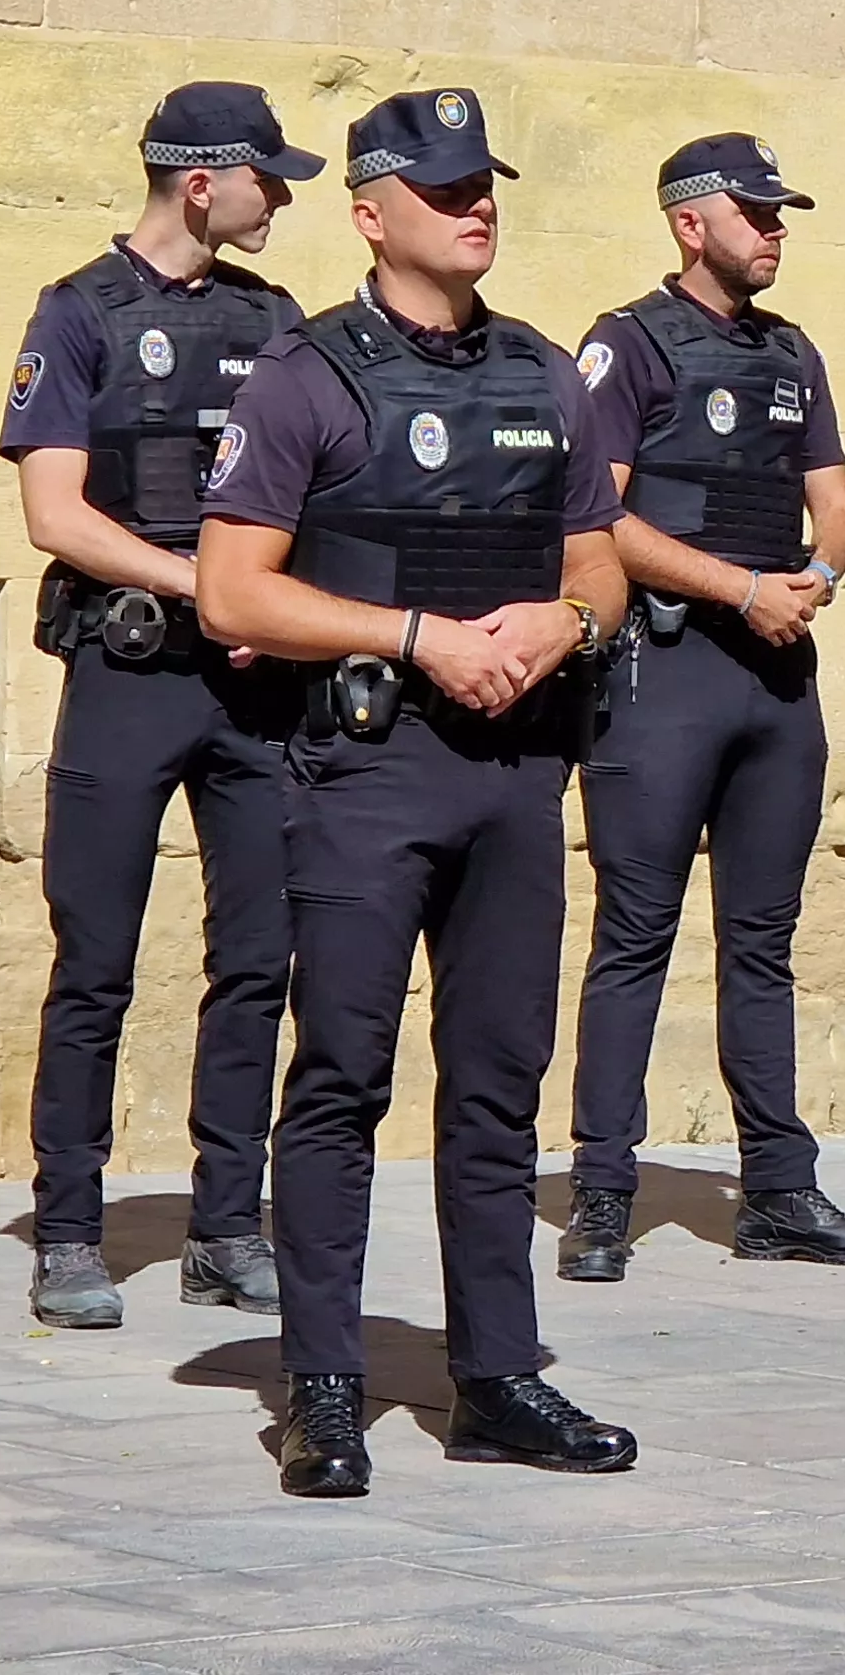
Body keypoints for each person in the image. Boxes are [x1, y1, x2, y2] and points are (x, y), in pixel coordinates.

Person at [195, 87, 640, 1495]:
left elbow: (600, 558)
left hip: (516, 772)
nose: (478, 208)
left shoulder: (545, 373)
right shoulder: (304, 375)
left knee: (501, 1086)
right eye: (448, 193)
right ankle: (323, 1385)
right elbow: (230, 589)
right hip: (369, 768)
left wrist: (564, 627)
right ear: (371, 214)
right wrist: (417, 636)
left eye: (486, 187)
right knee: (340, 1075)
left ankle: (498, 1377)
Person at [552, 134, 845, 1283]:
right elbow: (601, 523)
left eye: (780, 211)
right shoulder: (629, 346)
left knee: (764, 942)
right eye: (754, 211)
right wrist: (742, 589)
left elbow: (836, 497)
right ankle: (602, 1193)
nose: (775, 229)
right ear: (689, 223)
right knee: (635, 937)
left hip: (775, 675)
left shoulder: (792, 351)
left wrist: (817, 579)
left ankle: (780, 1192)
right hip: (667, 674)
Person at [0, 83, 317, 1329]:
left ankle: (229, 1224)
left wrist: (274, 605)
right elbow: (56, 513)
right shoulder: (77, 312)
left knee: (256, 957)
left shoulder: (277, 320)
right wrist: (213, 584)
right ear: (203, 184)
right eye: (265, 178)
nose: (279, 196)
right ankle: (69, 1231)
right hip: (131, 673)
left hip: (252, 687)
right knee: (97, 963)